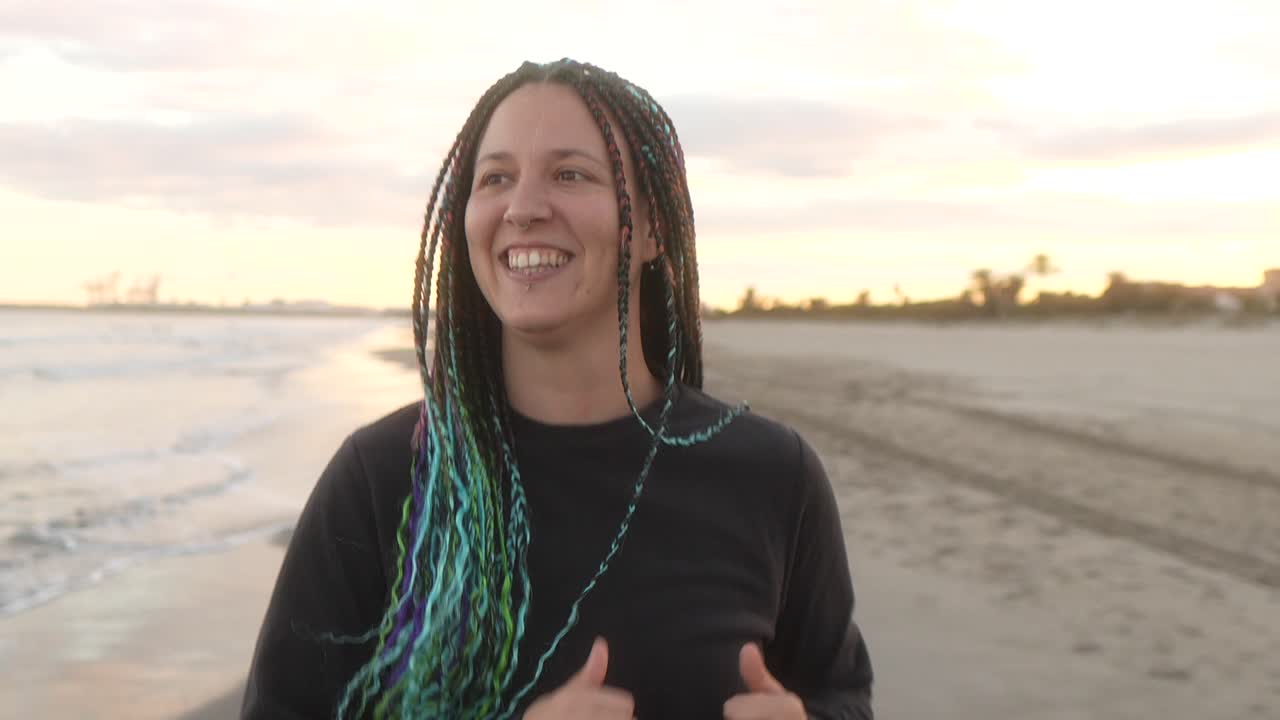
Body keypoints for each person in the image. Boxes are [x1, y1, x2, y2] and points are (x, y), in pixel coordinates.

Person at [242, 58, 873, 719]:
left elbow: (842, 691)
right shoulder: (385, 479)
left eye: (570, 174)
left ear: (652, 226)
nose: (523, 208)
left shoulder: (772, 474)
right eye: (495, 179)